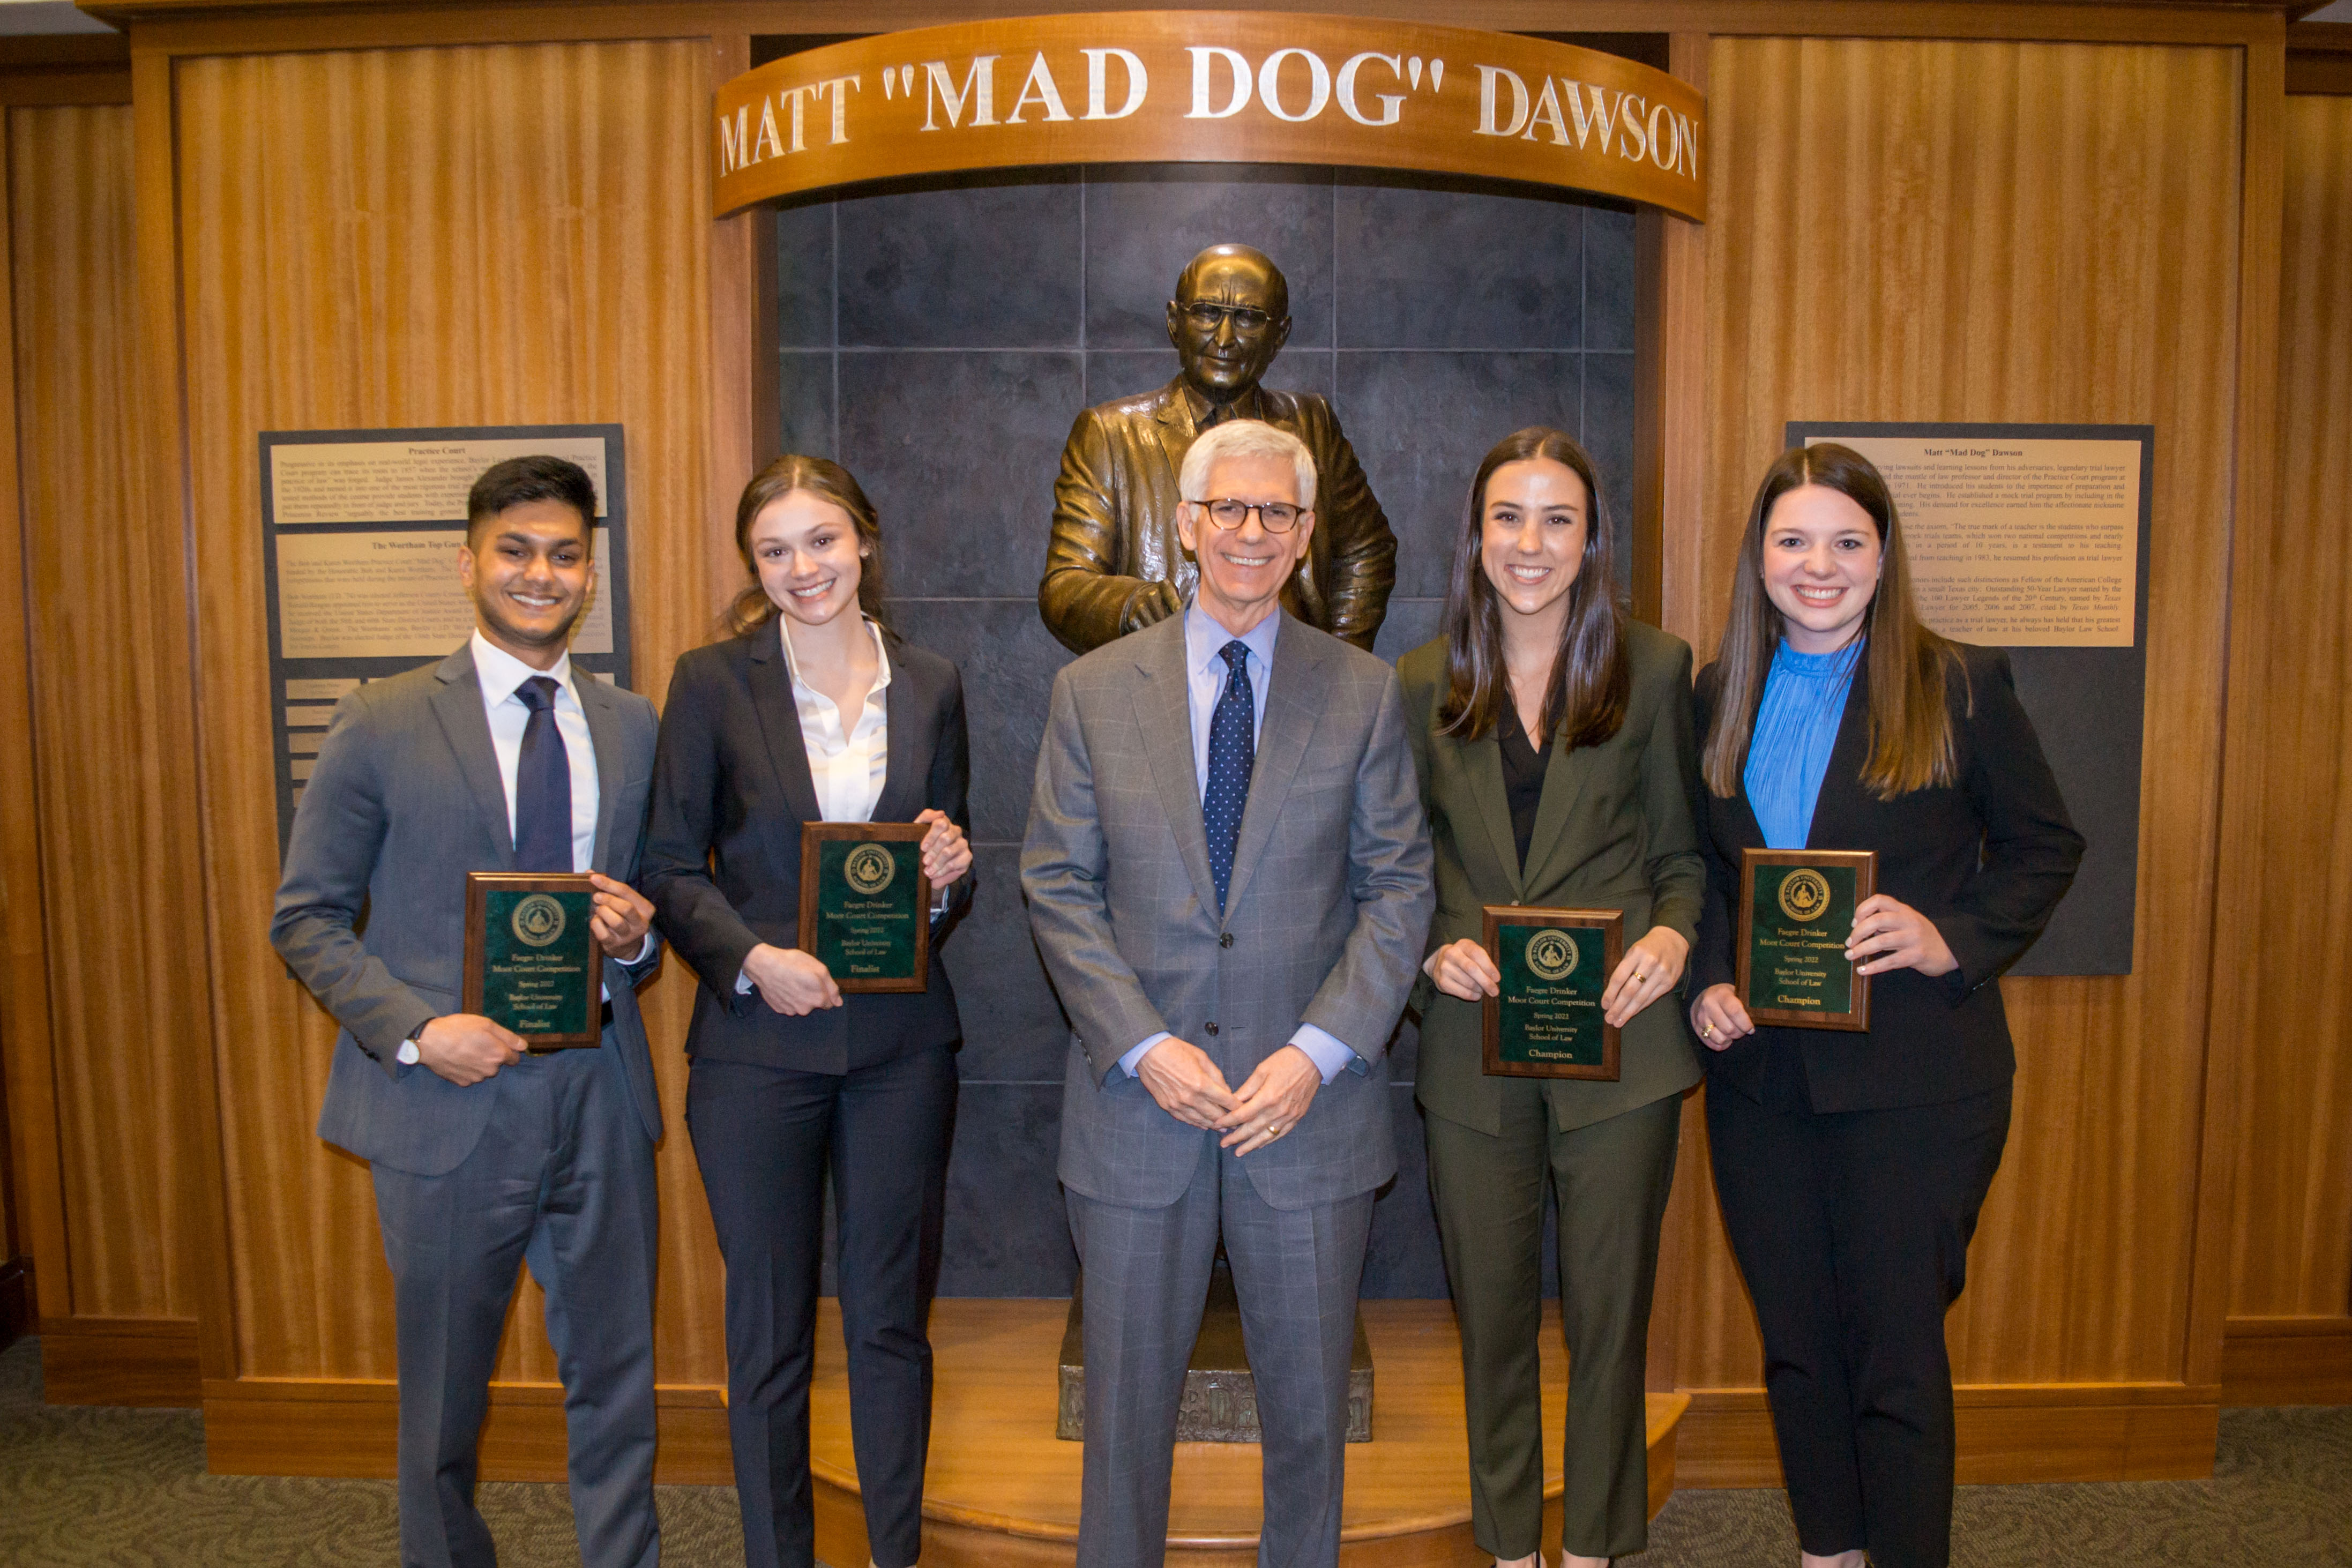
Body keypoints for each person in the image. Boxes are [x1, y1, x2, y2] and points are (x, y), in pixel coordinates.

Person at [1022, 418, 1432, 1568]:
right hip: (1135, 1107)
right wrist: (1145, 1045)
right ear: (1186, 524)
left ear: (1305, 535)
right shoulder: (1092, 691)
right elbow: (1055, 882)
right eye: (1228, 509)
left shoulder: (1361, 693)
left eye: (1277, 513)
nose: (1250, 532)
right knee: (1123, 1423)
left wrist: (1316, 1052)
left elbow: (1398, 888)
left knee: (1308, 1423)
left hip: (1305, 1112)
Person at [1686, 443, 2084, 1568]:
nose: (1819, 565)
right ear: (1758, 555)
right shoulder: (1719, 693)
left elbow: (2046, 845)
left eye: (1846, 541)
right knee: (1797, 1346)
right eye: (1793, 539)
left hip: (1917, 1082)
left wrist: (1947, 936)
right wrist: (1710, 977)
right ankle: (1827, 1550)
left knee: (1894, 1354)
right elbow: (1716, 871)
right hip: (1762, 1083)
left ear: (1882, 553)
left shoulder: (1956, 682)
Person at [271, 455, 666, 1568]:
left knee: (617, 1383)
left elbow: (640, 902)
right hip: (444, 1101)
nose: (540, 573)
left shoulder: (631, 725)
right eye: (516, 548)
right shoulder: (382, 717)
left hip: (597, 1086)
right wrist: (415, 1028)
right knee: (443, 1397)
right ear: (468, 561)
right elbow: (305, 918)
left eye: (564, 553)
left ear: (589, 574)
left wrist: (635, 940)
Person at [639, 454, 973, 1568]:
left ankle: (893, 1552)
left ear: (865, 539)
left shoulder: (931, 680)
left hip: (897, 1049)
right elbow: (670, 866)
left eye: (821, 539)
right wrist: (750, 958)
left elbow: (939, 865)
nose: (802, 568)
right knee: (769, 1332)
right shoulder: (709, 680)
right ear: (754, 564)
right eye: (774, 550)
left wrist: (947, 871)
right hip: (754, 1052)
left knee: (888, 1324)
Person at [1398, 428, 1703, 1568]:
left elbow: (1683, 854)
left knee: (1611, 1317)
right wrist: (1436, 943)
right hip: (1473, 1046)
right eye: (1507, 518)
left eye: (1556, 518)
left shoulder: (1657, 666)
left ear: (1591, 537)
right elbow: (1399, 862)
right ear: (1475, 536)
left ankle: (1592, 1546)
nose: (1530, 544)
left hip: (1624, 1042)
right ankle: (1507, 1543)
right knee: (1490, 1318)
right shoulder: (1423, 679)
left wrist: (1674, 937)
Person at [1042, 242, 1395, 654]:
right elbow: (1065, 583)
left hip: (1290, 693)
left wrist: (1335, 662)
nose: (1224, 339)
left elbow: (1367, 551)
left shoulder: (1312, 424)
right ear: (1175, 322)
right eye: (1208, 313)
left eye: (1248, 318)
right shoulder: (1110, 434)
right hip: (1160, 684)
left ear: (1279, 336)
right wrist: (1129, 607)